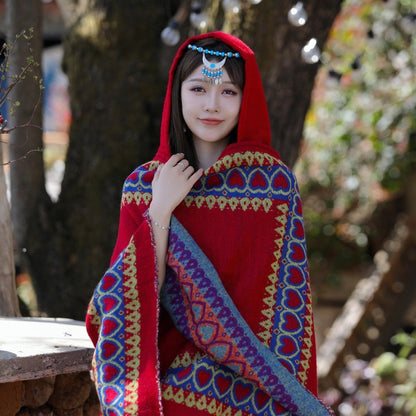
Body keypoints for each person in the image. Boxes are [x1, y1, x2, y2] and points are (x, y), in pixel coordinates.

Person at [86, 31, 334, 416]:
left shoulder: (273, 185)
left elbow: (290, 313)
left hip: (257, 383)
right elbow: (128, 300)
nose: (212, 105)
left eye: (229, 92)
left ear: (245, 99)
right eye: (199, 88)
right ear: (178, 92)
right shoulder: (143, 186)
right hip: (166, 373)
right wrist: (160, 211)